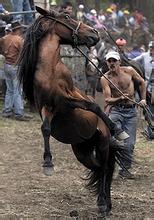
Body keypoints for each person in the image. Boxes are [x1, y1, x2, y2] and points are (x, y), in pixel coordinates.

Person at [100, 51, 146, 178]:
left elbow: (142, 82)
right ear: (107, 63)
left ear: (119, 61)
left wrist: (143, 99)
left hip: (131, 112)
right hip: (116, 111)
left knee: (130, 144)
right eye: (109, 61)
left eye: (114, 60)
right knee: (117, 139)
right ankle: (108, 162)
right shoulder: (105, 78)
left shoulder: (129, 71)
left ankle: (124, 170)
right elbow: (107, 99)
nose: (112, 63)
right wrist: (120, 98)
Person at [0, 21, 30, 121]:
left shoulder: (4, 38)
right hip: (15, 66)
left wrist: (5, 54)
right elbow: (23, 54)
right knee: (17, 91)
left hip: (7, 65)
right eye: (20, 28)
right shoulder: (20, 40)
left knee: (10, 90)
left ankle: (7, 110)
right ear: (18, 29)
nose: (22, 30)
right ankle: (19, 113)